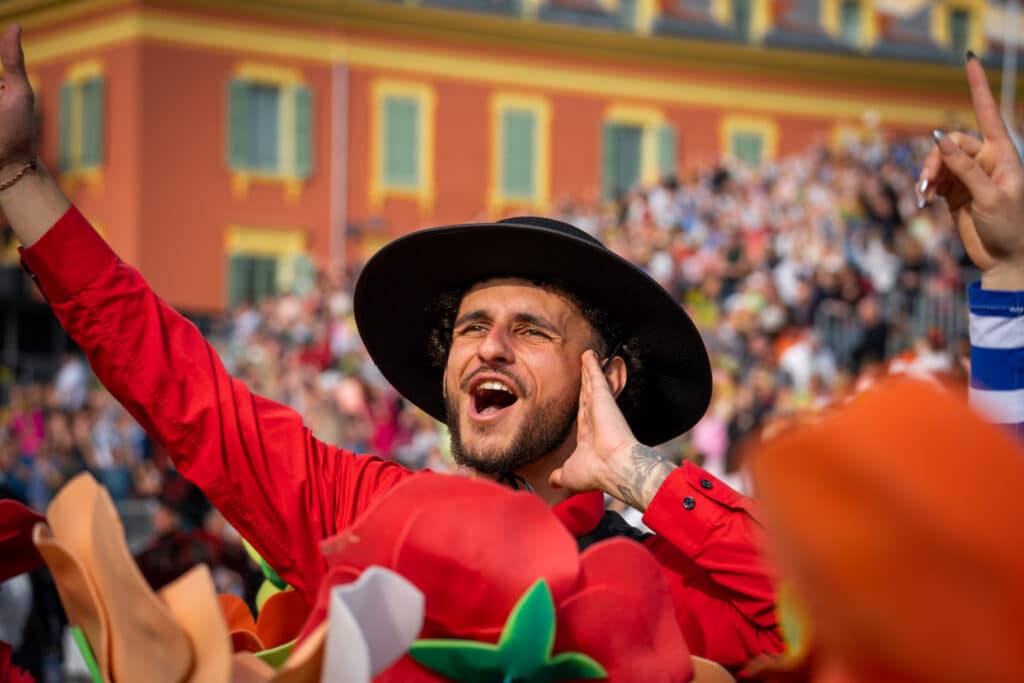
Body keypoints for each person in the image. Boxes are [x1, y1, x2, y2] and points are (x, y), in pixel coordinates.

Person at [0, 21, 1021, 672]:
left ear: (604, 372)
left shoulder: (678, 576)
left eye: (530, 327)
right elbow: (179, 387)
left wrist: (638, 475)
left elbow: (903, 619)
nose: (487, 343)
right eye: (470, 327)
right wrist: (20, 185)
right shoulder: (358, 511)